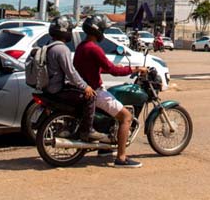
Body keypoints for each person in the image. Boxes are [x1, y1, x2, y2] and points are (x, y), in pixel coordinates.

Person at [74, 14, 148, 168]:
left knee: (112, 111)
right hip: (95, 91)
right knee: (126, 117)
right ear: (98, 31)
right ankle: (121, 158)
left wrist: (115, 69)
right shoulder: (94, 48)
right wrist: (135, 69)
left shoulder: (82, 46)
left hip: (84, 88)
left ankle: (105, 149)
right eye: (103, 30)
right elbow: (112, 70)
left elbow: (95, 68)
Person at [42, 15, 107, 143]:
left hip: (49, 88)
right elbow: (71, 73)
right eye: (70, 30)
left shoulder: (49, 45)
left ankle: (74, 123)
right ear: (64, 32)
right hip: (57, 89)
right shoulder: (62, 49)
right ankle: (87, 130)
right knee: (90, 97)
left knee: (79, 94)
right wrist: (85, 87)